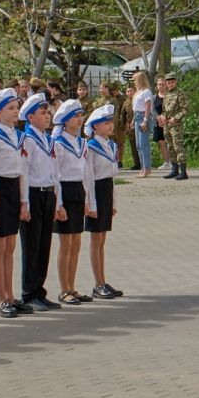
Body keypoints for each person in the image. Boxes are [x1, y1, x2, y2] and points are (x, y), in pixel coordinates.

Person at [0, 88, 27, 318]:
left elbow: (21, 171)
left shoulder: (18, 136)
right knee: (0, 246)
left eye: (16, 108)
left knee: (10, 246)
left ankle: (10, 295)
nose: (15, 112)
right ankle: (1, 298)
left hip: (13, 189)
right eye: (10, 109)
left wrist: (23, 200)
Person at [19, 92, 63, 311]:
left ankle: (40, 290)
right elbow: (24, 172)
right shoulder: (27, 139)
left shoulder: (48, 139)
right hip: (33, 194)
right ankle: (28, 293)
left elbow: (55, 172)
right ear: (30, 117)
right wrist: (24, 202)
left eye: (48, 112)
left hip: (47, 193)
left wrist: (57, 200)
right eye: (42, 113)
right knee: (31, 245)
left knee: (44, 244)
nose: (47, 116)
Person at [51, 99, 91, 305]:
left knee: (76, 243)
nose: (79, 119)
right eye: (75, 116)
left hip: (77, 191)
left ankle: (72, 287)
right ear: (65, 121)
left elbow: (84, 172)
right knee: (65, 243)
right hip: (64, 191)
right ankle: (63, 288)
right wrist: (58, 204)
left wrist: (86, 199)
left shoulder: (81, 142)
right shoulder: (58, 143)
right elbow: (55, 174)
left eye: (80, 115)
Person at [84, 104, 122, 299]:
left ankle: (102, 280)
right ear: (95, 127)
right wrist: (91, 203)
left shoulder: (110, 145)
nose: (110, 126)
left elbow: (112, 178)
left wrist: (113, 203)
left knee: (102, 239)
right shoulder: (91, 147)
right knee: (96, 239)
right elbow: (89, 177)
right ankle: (97, 283)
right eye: (105, 123)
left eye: (110, 122)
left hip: (106, 190)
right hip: (96, 192)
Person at [162, 73, 189, 180]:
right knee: (170, 147)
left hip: (176, 124)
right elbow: (164, 109)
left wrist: (176, 118)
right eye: (168, 83)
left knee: (178, 147)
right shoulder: (166, 94)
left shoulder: (180, 93)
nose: (170, 84)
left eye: (172, 82)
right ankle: (174, 170)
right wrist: (163, 117)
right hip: (167, 124)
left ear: (175, 82)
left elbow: (185, 109)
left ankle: (183, 171)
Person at [130, 72, 154, 178]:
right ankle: (143, 167)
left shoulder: (146, 91)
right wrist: (133, 120)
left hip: (144, 117)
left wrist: (145, 120)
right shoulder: (137, 92)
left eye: (135, 80)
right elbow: (135, 109)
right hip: (137, 117)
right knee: (138, 145)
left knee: (144, 144)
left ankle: (147, 168)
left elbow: (147, 107)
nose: (134, 82)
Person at [153, 77, 169, 173]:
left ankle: (174, 161)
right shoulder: (154, 97)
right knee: (161, 142)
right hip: (158, 123)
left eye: (163, 84)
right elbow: (152, 109)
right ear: (156, 86)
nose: (161, 86)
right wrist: (158, 118)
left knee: (170, 142)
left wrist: (165, 118)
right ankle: (166, 161)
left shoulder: (169, 96)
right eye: (159, 84)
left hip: (169, 122)